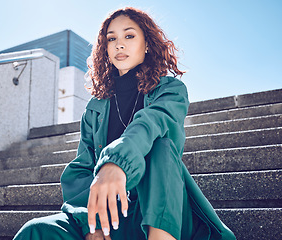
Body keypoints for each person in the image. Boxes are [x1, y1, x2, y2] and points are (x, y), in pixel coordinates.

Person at [13, 7, 236, 240]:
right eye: (112, 38)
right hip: (111, 217)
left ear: (147, 44)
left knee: (160, 147)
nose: (119, 44)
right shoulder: (95, 108)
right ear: (105, 48)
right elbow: (81, 169)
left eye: (129, 36)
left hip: (161, 212)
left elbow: (149, 124)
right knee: (35, 231)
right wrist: (95, 227)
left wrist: (115, 163)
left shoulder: (170, 91)